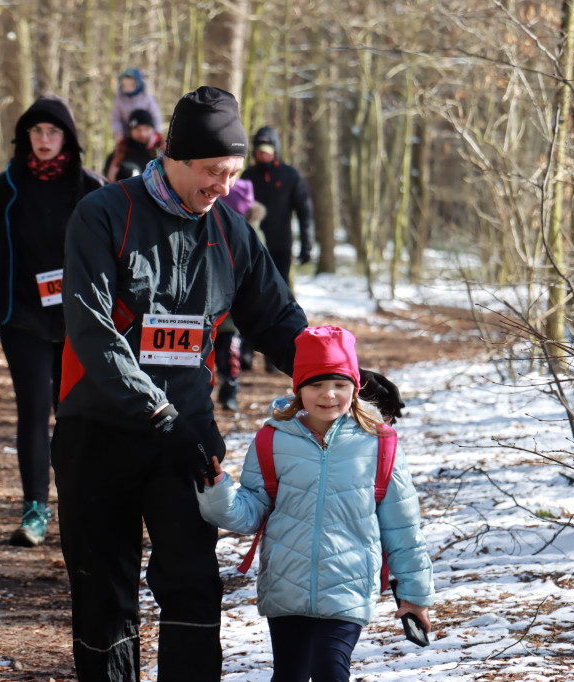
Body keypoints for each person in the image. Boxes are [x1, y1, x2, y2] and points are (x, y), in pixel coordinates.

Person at [49, 85, 404, 682]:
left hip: (185, 438)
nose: (222, 186)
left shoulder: (234, 234)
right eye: (213, 172)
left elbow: (278, 321)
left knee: (191, 583)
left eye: (232, 173)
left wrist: (344, 374)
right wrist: (157, 413)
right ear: (174, 157)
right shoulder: (104, 213)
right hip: (99, 430)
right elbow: (92, 333)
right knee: (104, 591)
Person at [198, 325, 435, 681]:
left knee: (330, 669)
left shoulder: (379, 444)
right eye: (316, 385)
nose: (329, 395)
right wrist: (218, 491)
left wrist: (415, 595)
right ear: (298, 388)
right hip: (286, 588)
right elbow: (248, 514)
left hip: (348, 587)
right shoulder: (271, 440)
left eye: (340, 385)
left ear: (355, 387)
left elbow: (403, 527)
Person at [0, 94, 104, 547]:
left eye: (53, 132)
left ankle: (81, 504)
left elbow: (115, 255)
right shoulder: (8, 185)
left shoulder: (91, 187)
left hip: (79, 320)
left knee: (76, 416)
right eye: (36, 132)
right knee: (34, 411)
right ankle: (35, 509)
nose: (44, 140)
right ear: (25, 137)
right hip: (21, 317)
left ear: (68, 139)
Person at [240, 126, 315, 371]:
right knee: (248, 298)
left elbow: (304, 211)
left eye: (268, 150)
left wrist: (307, 244)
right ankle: (245, 352)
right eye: (259, 151)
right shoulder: (247, 176)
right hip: (252, 247)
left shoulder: (290, 175)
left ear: (276, 150)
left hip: (281, 247)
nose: (263, 155)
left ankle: (277, 355)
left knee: (278, 300)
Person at [214, 178, 266, 411]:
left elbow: (259, 269)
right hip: (211, 301)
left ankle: (230, 389)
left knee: (229, 347)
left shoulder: (250, 233)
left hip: (235, 302)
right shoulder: (213, 226)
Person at [102, 108, 162, 182]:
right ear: (131, 131)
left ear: (153, 130)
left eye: (146, 129)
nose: (142, 134)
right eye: (138, 129)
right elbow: (108, 182)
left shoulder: (162, 152)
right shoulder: (118, 155)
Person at [109, 68, 164, 143]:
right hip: (127, 137)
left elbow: (156, 116)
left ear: (137, 84)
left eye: (131, 85)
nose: (127, 88)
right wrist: (120, 137)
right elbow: (115, 119)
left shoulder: (147, 98)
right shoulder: (119, 100)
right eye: (124, 85)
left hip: (147, 136)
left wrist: (157, 134)